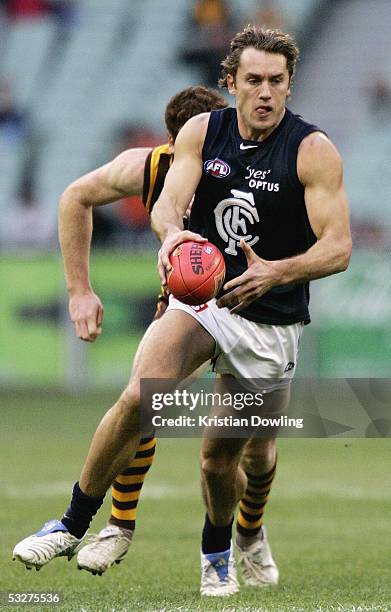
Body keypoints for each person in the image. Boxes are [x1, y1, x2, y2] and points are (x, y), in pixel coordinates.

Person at [13, 26, 351, 597]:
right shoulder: (201, 132)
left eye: (276, 81)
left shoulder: (312, 149)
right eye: (253, 80)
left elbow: (338, 247)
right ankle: (73, 524)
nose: (265, 92)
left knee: (222, 460)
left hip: (271, 318)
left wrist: (276, 271)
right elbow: (171, 200)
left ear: (290, 86)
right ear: (232, 83)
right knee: (141, 395)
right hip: (205, 300)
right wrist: (171, 234)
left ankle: (229, 542)